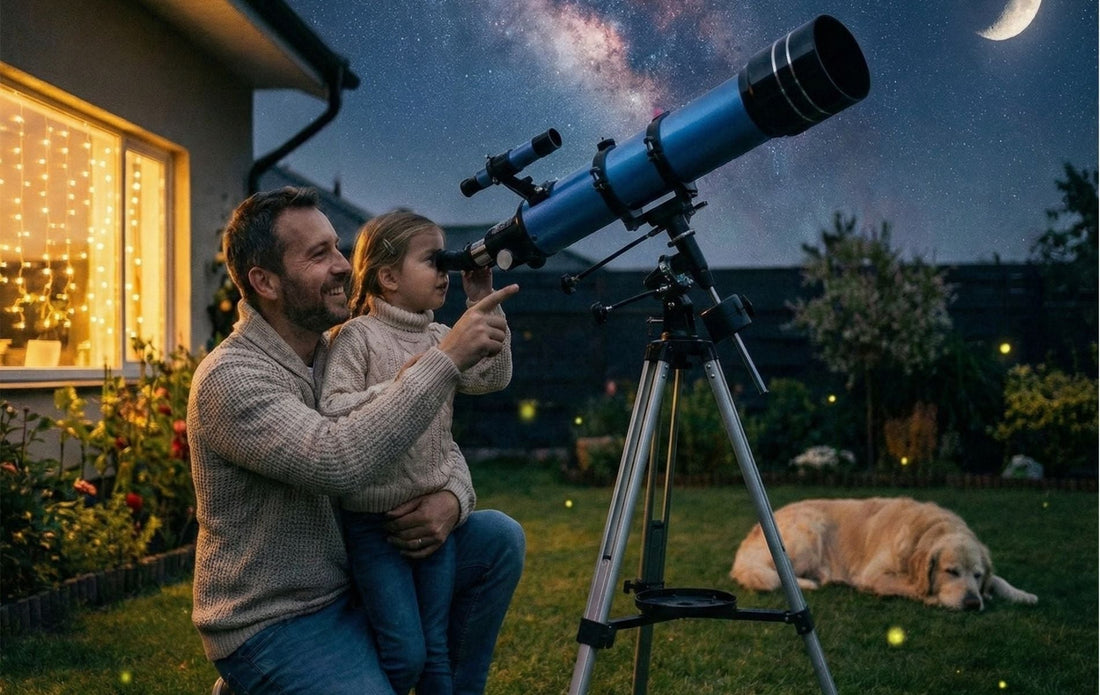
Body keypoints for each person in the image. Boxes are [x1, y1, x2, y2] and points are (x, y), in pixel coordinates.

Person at [187, 187, 524, 695]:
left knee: (497, 538)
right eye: (319, 255)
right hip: (278, 617)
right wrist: (443, 361)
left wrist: (452, 498)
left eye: (337, 248)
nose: (345, 266)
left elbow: (423, 434)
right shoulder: (232, 379)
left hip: (355, 579)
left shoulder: (335, 350)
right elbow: (336, 457)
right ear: (266, 281)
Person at [319, 211, 512, 694]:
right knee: (405, 654)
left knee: (435, 648)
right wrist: (410, 381)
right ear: (387, 277)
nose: (444, 271)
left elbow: (492, 377)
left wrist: (481, 300)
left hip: (434, 524)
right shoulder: (356, 337)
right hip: (374, 528)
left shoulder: (436, 336)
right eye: (432, 261)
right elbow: (335, 410)